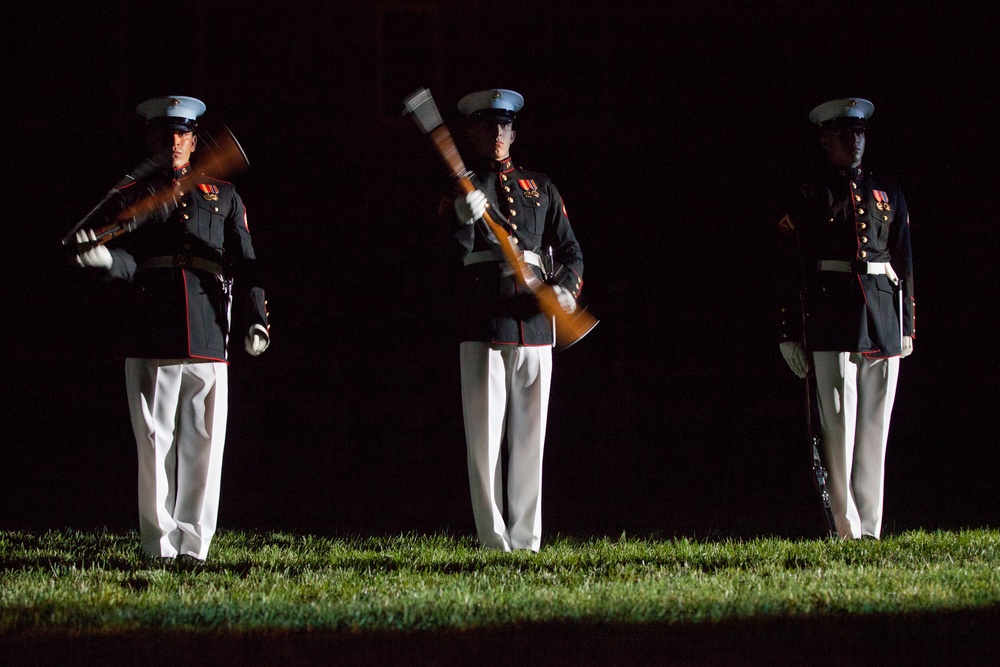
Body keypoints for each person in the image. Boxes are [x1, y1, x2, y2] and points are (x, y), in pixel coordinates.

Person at [72, 96, 270, 563]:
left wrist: (256, 317)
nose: (174, 141)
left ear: (194, 139)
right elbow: (132, 261)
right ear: (152, 140)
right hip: (152, 325)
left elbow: (244, 261)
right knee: (155, 443)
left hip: (207, 327)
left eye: (182, 133)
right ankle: (158, 545)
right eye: (165, 134)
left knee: (204, 445)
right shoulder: (134, 196)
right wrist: (106, 262)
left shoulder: (223, 194)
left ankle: (194, 546)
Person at [448, 88, 584, 552]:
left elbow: (570, 251)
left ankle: (526, 539)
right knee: (484, 442)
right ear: (472, 132)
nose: (498, 134)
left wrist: (565, 288)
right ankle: (493, 540)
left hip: (534, 322)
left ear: (514, 131)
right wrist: (462, 222)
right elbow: (445, 256)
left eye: (504, 125)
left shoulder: (539, 186)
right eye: (488, 126)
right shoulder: (461, 189)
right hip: (483, 320)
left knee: (530, 439)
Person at [776, 97, 915, 540]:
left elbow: (904, 261)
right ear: (824, 140)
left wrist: (907, 324)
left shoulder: (888, 193)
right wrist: (788, 332)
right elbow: (786, 266)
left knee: (876, 428)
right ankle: (845, 526)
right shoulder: (809, 196)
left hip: (881, 314)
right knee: (838, 431)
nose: (853, 141)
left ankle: (870, 528)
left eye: (859, 132)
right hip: (831, 317)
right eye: (842, 134)